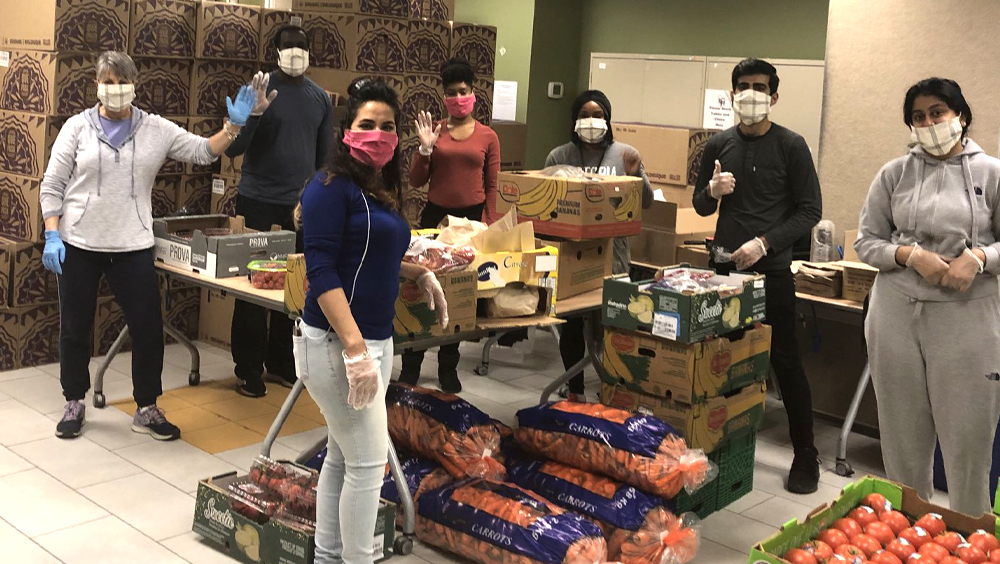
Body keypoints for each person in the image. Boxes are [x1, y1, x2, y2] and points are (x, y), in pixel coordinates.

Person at [39, 51, 258, 440]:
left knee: (147, 327)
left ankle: (147, 406)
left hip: (133, 243)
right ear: (97, 86)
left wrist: (233, 127)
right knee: (75, 327)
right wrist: (52, 233)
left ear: (134, 86)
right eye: (107, 82)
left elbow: (202, 151)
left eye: (122, 82)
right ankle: (74, 401)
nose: (115, 89)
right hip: (80, 242)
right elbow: (53, 184)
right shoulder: (77, 128)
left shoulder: (156, 128)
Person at [295, 78, 447, 564]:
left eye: (387, 126)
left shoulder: (378, 188)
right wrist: (356, 349)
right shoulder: (327, 190)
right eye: (367, 125)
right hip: (337, 346)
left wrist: (417, 272)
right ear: (346, 131)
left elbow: (369, 252)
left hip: (375, 342)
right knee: (366, 463)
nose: (378, 134)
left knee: (342, 458)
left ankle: (327, 557)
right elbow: (321, 271)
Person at [856, 78, 1000, 516]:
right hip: (895, 313)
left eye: (937, 112)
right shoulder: (894, 173)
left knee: (967, 439)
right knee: (902, 438)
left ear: (961, 116)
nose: (929, 123)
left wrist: (979, 258)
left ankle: (972, 536)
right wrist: (909, 255)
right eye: (918, 117)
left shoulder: (992, 173)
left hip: (967, 317)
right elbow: (866, 242)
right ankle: (906, 532)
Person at [692, 58, 822, 494]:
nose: (751, 94)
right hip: (724, 272)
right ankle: (719, 443)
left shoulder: (792, 145)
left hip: (772, 273)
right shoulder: (718, 145)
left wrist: (765, 243)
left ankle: (806, 454)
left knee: (785, 361)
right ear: (733, 94)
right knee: (720, 361)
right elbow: (701, 207)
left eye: (760, 87)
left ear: (774, 96)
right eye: (743, 86)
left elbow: (810, 210)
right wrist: (711, 192)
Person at [226, 24, 334, 397]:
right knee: (253, 284)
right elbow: (232, 150)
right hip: (255, 199)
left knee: (293, 288)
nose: (295, 52)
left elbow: (324, 160)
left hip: (298, 207)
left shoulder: (319, 98)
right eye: (288, 46)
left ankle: (283, 363)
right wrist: (253, 114)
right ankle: (248, 369)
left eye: (301, 46)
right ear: (275, 51)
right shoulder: (256, 89)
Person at [397, 58, 500, 394]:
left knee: (456, 294)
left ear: (473, 93)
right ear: (444, 96)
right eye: (451, 93)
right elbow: (415, 181)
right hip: (434, 221)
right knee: (419, 289)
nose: (458, 98)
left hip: (471, 221)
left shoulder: (488, 136)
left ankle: (447, 367)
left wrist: (488, 223)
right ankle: (411, 364)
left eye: (463, 91)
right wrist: (424, 149)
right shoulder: (435, 131)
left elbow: (493, 184)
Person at [544, 89, 653, 402]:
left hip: (614, 256)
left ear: (608, 119)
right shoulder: (558, 156)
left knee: (613, 325)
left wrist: (636, 174)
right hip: (570, 256)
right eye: (584, 115)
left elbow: (644, 202)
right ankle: (575, 389)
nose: (591, 121)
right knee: (572, 326)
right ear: (574, 120)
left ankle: (613, 389)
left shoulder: (625, 154)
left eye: (598, 115)